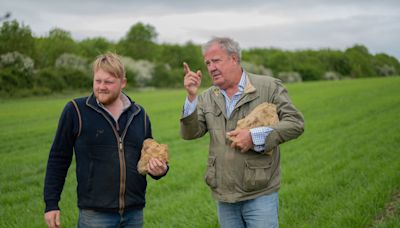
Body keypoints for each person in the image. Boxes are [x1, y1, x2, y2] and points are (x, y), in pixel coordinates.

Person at [180, 37, 304, 228]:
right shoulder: (207, 97)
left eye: (216, 60)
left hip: (260, 193)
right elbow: (190, 133)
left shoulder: (269, 87)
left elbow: (295, 123)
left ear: (234, 59)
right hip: (224, 195)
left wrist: (255, 137)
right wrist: (191, 97)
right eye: (207, 63)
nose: (211, 67)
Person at [43, 53, 168, 228]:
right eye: (97, 81)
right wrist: (51, 203)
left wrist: (160, 170)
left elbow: (147, 159)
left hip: (134, 214)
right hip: (95, 216)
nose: (101, 87)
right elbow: (58, 158)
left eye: (108, 82)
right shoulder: (76, 111)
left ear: (122, 83)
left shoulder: (139, 114)